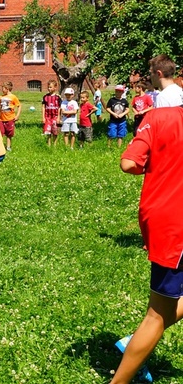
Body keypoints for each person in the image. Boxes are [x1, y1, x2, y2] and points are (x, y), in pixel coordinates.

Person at [111, 105, 183, 384]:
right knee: (157, 314)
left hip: (164, 217)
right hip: (177, 226)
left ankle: (135, 344)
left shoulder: (159, 117)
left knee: (160, 312)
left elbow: (130, 163)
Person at [0, 81, 21, 151]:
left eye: (3, 88)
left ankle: (8, 147)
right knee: (0, 133)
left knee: (9, 134)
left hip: (10, 119)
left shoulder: (13, 97)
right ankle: (0, 147)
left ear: (7, 88)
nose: (2, 90)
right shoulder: (1, 97)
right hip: (1, 119)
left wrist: (17, 115)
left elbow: (19, 106)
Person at [42, 80, 62, 147]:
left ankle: (55, 144)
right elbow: (43, 107)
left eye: (50, 87)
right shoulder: (45, 97)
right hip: (47, 117)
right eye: (48, 87)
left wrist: (59, 117)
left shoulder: (57, 97)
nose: (49, 88)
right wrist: (43, 117)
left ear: (55, 88)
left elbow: (59, 108)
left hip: (55, 117)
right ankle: (49, 144)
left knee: (55, 131)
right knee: (48, 131)